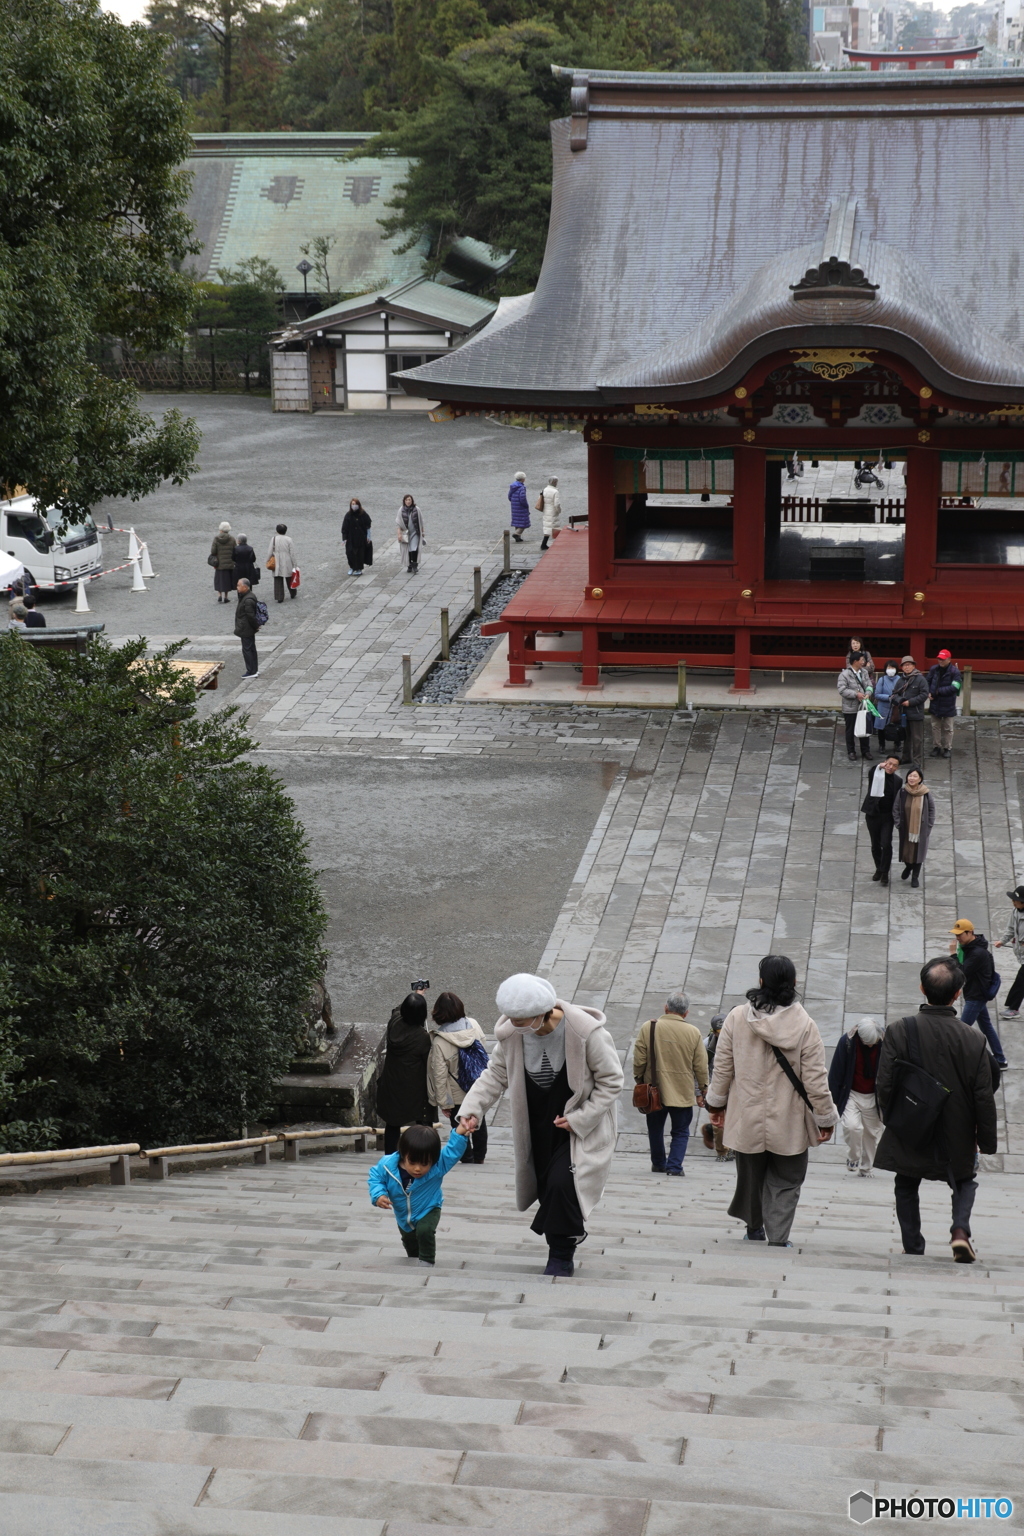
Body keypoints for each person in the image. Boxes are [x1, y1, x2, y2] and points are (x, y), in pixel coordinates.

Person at [458, 972, 623, 1277]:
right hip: (536, 1122)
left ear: (543, 1012)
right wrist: (472, 1110)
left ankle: (561, 1254)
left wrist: (581, 1118)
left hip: (578, 1127)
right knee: (548, 1186)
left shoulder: (586, 1032)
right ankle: (563, 1241)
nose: (517, 1027)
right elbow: (495, 1075)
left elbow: (612, 1081)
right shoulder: (511, 1034)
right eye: (513, 1020)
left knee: (564, 1183)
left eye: (522, 1021)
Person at [705, 955, 837, 1247]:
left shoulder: (737, 1018)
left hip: (747, 1113)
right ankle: (779, 1237)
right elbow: (816, 1080)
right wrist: (826, 1118)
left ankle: (754, 1228)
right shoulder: (805, 1025)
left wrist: (715, 1106)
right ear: (794, 983)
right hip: (789, 1117)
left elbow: (722, 1068)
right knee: (788, 1177)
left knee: (751, 1174)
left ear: (761, 982)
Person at [874, 957, 998, 1262]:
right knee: (964, 1180)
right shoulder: (974, 1038)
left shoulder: (900, 1030)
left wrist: (892, 1117)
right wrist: (987, 1139)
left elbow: (884, 1083)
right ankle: (959, 1232)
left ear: (922, 988)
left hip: (912, 1121)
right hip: (958, 1125)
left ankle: (913, 1245)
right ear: (958, 994)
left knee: (905, 1181)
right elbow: (983, 1095)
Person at [368, 1122, 470, 1267]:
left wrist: (460, 1132)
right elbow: (376, 1177)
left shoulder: (438, 1166)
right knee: (409, 1241)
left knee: (425, 1231)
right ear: (404, 1155)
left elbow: (452, 1152)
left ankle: (427, 1262)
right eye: (413, 1162)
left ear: (433, 1160)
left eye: (424, 1164)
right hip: (403, 1215)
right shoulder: (387, 1165)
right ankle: (414, 1260)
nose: (418, 1169)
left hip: (429, 1207)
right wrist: (378, 1195)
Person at [632, 990, 709, 1176]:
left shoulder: (648, 1027)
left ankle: (659, 1163)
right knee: (681, 1131)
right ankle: (674, 1167)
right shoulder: (693, 1032)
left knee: (655, 1129)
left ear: (666, 1008)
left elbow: (639, 1060)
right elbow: (701, 1065)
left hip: (654, 1090)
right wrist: (703, 1088)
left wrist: (640, 1080)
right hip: (682, 1091)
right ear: (686, 1013)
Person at [427, 991, 489, 1165]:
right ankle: (479, 1157)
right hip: (476, 1087)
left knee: (459, 1127)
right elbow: (483, 1052)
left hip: (456, 1094)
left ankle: (466, 1158)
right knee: (478, 1121)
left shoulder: (440, 1041)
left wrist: (444, 1103)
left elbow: (439, 1075)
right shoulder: (474, 1025)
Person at [374, 991, 434, 1155]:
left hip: (392, 1082)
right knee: (424, 1121)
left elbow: (397, 1009)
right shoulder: (422, 1038)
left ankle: (389, 1157)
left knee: (392, 1123)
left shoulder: (394, 1023)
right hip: (414, 1087)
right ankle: (426, 1154)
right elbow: (429, 1063)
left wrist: (415, 995)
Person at [828, 1018, 885, 1175]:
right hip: (852, 1093)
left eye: (874, 1042)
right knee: (852, 1127)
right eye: (868, 1043)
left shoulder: (885, 1043)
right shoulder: (847, 1043)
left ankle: (866, 1168)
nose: (871, 1046)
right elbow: (836, 1073)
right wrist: (832, 1103)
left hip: (874, 1095)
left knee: (872, 1134)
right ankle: (853, 1158)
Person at [950, 919, 1009, 1069]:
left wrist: (953, 955)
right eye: (956, 935)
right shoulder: (971, 948)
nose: (957, 938)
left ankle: (953, 1060)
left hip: (976, 996)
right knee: (987, 1027)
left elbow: (961, 972)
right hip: (975, 994)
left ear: (970, 933)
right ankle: (1000, 1059)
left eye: (960, 935)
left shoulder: (977, 953)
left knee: (961, 1030)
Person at [861, 753, 902, 885]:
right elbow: (872, 771)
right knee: (875, 845)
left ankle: (884, 871)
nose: (890, 767)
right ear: (885, 763)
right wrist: (879, 766)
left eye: (894, 765)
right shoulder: (877, 774)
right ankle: (879, 867)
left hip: (887, 817)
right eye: (889, 764)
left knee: (886, 843)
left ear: (897, 768)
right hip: (873, 814)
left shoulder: (898, 781)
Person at [893, 766, 934, 889]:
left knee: (918, 853)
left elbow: (932, 810)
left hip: (920, 829)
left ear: (920, 778)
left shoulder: (925, 793)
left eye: (915, 776)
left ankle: (915, 876)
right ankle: (908, 866)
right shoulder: (903, 792)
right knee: (906, 851)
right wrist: (898, 823)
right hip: (906, 828)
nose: (912, 778)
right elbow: (895, 808)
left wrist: (929, 825)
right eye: (910, 776)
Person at [700, 1015, 733, 1161]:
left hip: (736, 1087)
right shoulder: (707, 1045)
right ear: (713, 1032)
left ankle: (732, 1147)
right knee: (719, 1121)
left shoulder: (738, 1041)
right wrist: (702, 1089)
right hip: (715, 1087)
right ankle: (722, 1152)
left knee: (735, 1119)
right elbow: (700, 1068)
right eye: (719, 1032)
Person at [889, 655, 928, 767]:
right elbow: (894, 694)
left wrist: (910, 702)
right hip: (903, 713)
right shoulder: (900, 680)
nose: (907, 667)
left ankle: (917, 761)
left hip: (916, 713)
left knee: (917, 739)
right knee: (905, 737)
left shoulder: (920, 679)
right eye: (904, 665)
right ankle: (906, 757)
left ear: (913, 666)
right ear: (901, 667)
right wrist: (899, 700)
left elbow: (924, 694)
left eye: (909, 665)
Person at [837, 652, 874, 763]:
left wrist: (868, 693)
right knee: (850, 730)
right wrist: (855, 694)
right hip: (850, 707)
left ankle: (865, 750)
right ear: (855, 661)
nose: (863, 662)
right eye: (861, 660)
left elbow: (869, 684)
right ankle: (851, 751)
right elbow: (842, 690)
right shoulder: (844, 674)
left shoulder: (864, 672)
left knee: (864, 728)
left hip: (863, 705)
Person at [927, 649, 962, 759]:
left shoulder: (954, 672)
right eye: (939, 659)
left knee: (948, 728)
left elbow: (955, 687)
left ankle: (947, 748)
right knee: (935, 726)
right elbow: (927, 681)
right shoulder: (934, 669)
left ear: (949, 660)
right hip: (935, 703)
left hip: (948, 703)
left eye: (942, 659)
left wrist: (937, 691)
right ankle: (936, 746)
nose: (940, 661)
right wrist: (928, 692)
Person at [995, 884, 1024, 1018]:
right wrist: (1003, 941)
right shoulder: (1015, 912)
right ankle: (1012, 1006)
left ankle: (1013, 1008)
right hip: (1022, 954)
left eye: (1015, 900)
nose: (1013, 902)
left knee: (1021, 981)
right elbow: (1011, 929)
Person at [872, 660, 900, 757]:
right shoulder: (882, 680)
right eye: (888, 668)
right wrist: (888, 697)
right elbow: (877, 694)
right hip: (883, 707)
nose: (890, 670)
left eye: (892, 668)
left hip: (896, 707)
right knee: (881, 728)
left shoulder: (900, 680)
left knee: (896, 726)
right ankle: (882, 745)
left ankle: (897, 744)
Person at [233, 578, 260, 678]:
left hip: (246, 628)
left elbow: (251, 616)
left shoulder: (248, 599)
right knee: (251, 648)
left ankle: (251, 671)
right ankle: (254, 669)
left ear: (245, 587)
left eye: (238, 585)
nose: (237, 587)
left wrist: (255, 626)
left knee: (248, 649)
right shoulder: (247, 596)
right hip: (247, 627)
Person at [267, 523, 296, 603]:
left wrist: (267, 560)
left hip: (277, 560)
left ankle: (279, 597)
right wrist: (295, 564)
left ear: (277, 530)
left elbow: (270, 551)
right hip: (287, 560)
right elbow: (292, 553)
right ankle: (293, 592)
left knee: (278, 578)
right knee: (289, 577)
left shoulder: (273, 539)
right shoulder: (289, 539)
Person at [343, 499, 372, 576]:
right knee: (349, 553)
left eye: (355, 504)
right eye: (352, 504)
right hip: (350, 538)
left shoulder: (363, 514)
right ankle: (352, 567)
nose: (354, 505)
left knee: (359, 554)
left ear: (358, 505)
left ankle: (359, 568)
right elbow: (344, 528)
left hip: (360, 538)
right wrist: (344, 538)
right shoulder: (348, 515)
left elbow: (368, 525)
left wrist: (368, 536)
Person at [396, 494, 424, 573]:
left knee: (414, 547)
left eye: (409, 500)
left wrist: (422, 531)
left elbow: (421, 521)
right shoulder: (401, 510)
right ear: (404, 501)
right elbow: (398, 522)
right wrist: (399, 534)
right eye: (407, 500)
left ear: (412, 501)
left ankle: (415, 565)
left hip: (415, 532)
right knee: (407, 549)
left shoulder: (417, 509)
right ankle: (409, 565)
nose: (408, 501)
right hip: (406, 533)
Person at [210, 521, 236, 604]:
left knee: (219, 579)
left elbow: (213, 551)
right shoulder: (232, 539)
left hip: (219, 563)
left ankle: (219, 595)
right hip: (229, 562)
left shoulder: (216, 538)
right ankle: (226, 597)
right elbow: (235, 550)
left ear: (220, 529)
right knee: (227, 579)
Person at [539, 476, 562, 551]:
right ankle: (558, 543)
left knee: (547, 527)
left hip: (546, 510)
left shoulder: (545, 489)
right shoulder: (555, 491)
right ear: (555, 482)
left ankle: (544, 544)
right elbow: (557, 504)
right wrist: (559, 511)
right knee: (555, 527)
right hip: (553, 511)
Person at [508, 471, 530, 543]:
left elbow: (509, 496)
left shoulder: (513, 486)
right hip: (521, 507)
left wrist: (513, 502)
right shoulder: (522, 488)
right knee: (523, 522)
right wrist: (526, 505)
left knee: (517, 521)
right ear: (522, 479)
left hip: (514, 506)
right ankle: (517, 534)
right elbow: (522, 498)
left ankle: (518, 538)